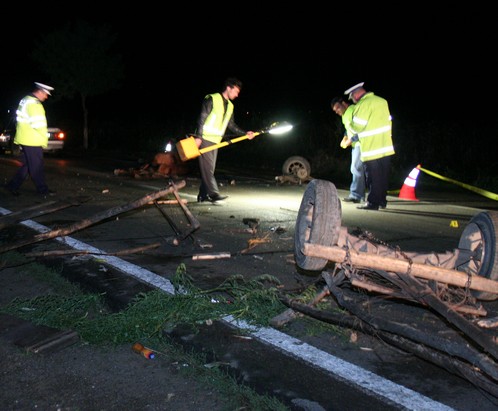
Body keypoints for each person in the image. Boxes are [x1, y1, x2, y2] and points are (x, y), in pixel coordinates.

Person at [195, 77, 254, 203]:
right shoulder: (212, 98)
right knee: (209, 169)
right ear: (228, 88)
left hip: (216, 141)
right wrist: (198, 137)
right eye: (236, 91)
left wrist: (245, 133)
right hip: (205, 138)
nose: (237, 95)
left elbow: (231, 125)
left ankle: (202, 195)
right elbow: (202, 118)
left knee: (208, 168)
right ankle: (214, 194)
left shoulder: (231, 106)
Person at [343, 82, 394, 210]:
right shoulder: (382, 101)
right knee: (383, 177)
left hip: (371, 148)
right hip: (385, 146)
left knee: (373, 178)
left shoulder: (363, 104)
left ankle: (373, 203)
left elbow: (358, 127)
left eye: (352, 97)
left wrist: (350, 127)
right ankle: (382, 201)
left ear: (355, 94)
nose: (353, 100)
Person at [4, 82, 56, 198]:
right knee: (37, 166)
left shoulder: (25, 100)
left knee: (27, 165)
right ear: (40, 91)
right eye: (46, 94)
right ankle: (43, 190)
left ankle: (12, 186)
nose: (46, 97)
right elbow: (39, 125)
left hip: (25, 137)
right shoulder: (34, 104)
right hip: (33, 139)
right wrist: (44, 139)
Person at [331, 96, 366, 204]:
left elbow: (362, 128)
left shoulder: (353, 110)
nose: (337, 111)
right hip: (355, 145)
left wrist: (351, 140)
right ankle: (360, 195)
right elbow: (348, 128)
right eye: (335, 111)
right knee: (358, 169)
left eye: (338, 108)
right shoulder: (344, 115)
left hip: (361, 143)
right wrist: (345, 137)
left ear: (344, 103)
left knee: (356, 168)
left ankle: (356, 195)